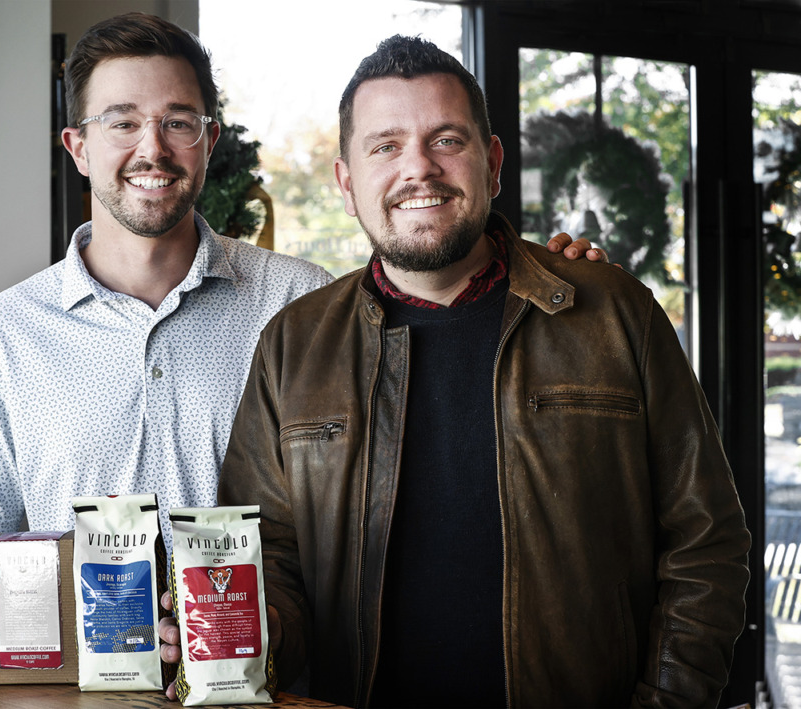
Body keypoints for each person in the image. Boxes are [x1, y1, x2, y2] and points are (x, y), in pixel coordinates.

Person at [0, 15, 600, 688]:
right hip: (70, 691)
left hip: (271, 686)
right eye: (121, 121)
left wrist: (547, 271)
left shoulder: (300, 304)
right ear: (77, 145)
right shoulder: (5, 333)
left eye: (179, 121)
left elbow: (436, 297)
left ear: (209, 141)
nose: (152, 147)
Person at [188, 35, 751, 707]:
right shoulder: (294, 344)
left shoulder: (612, 313)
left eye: (446, 140)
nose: (418, 169)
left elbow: (705, 542)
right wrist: (255, 627)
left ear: (492, 162)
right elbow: (268, 557)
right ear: (347, 182)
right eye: (386, 145)